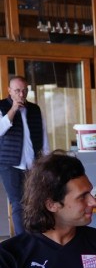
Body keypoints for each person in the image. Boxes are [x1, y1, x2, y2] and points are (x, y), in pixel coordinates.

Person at [0, 76, 50, 235]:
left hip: (33, 165)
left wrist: (46, 161)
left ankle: (36, 237)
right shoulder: (1, 107)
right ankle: (22, 240)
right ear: (9, 91)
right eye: (17, 91)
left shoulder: (35, 109)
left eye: (24, 90)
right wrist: (13, 109)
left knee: (36, 202)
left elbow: (43, 137)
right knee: (18, 203)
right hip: (10, 164)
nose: (21, 94)